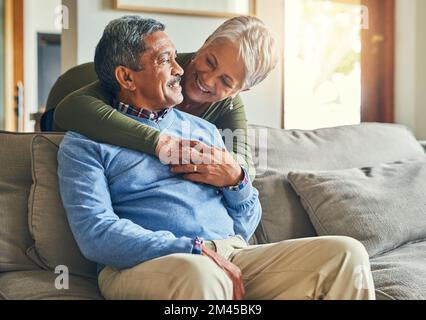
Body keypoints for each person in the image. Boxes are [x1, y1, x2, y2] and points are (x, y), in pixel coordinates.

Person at [58, 16, 375, 300]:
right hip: (156, 263)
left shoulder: (210, 130)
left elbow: (245, 226)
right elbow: (96, 234)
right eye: (167, 60)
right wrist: (193, 248)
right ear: (127, 79)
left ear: (239, 91)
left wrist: (237, 183)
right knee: (201, 276)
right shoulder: (85, 141)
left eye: (226, 81)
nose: (185, 72)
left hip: (231, 255)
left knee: (347, 255)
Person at [51, 15, 278, 188]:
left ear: (241, 90)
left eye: (226, 81)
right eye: (210, 61)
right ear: (206, 43)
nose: (207, 79)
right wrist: (163, 144)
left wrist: (235, 175)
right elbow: (69, 110)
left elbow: (242, 164)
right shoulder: (152, 72)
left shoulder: (228, 106)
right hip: (63, 98)